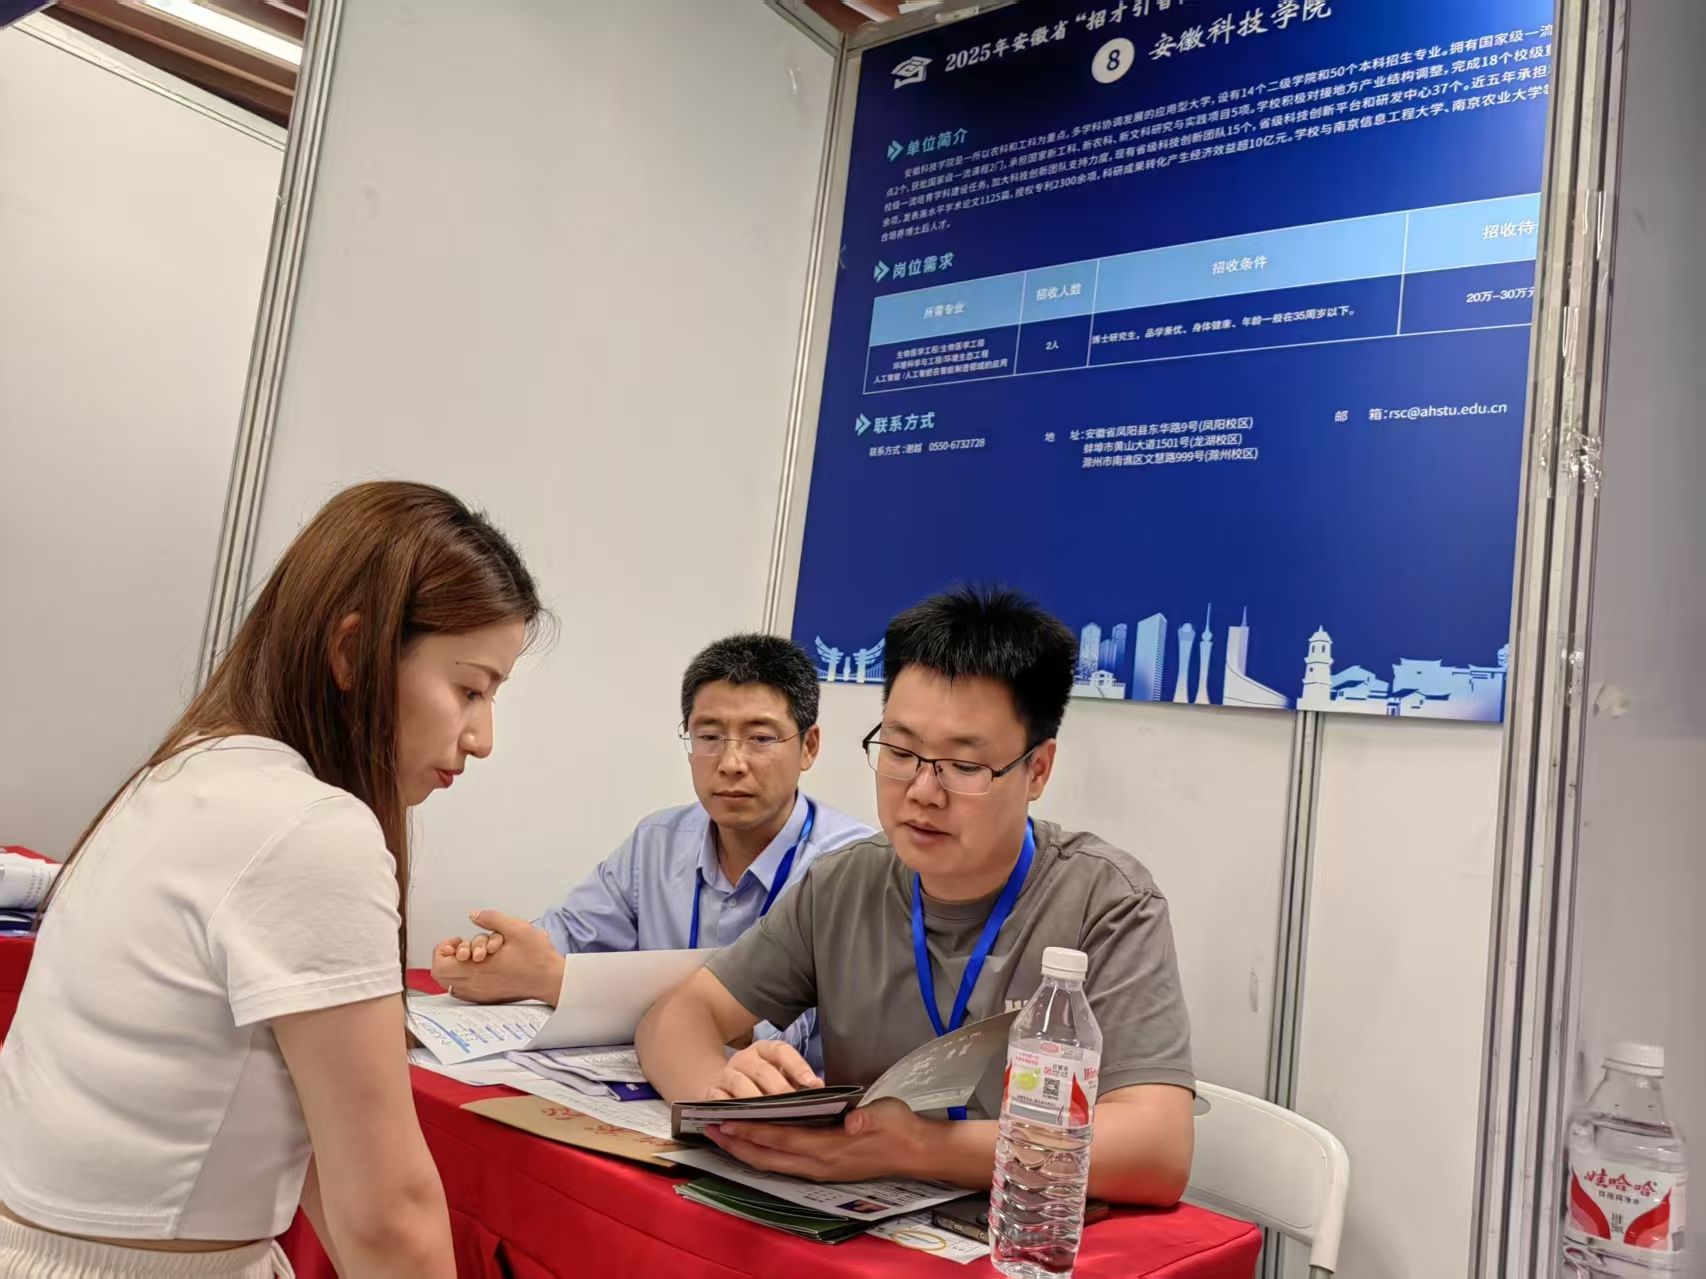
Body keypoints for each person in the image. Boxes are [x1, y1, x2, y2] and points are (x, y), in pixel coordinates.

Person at [0, 481, 545, 1278]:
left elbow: (323, 1150)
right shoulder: (311, 830)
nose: (483, 737)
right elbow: (389, 1218)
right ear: (353, 652)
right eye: (470, 689)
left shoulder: (183, 771)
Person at [636, 586, 1195, 1206]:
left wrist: (913, 1148)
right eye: (901, 752)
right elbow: (676, 1018)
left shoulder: (1106, 902)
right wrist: (724, 1099)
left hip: (1025, 1232)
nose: (922, 791)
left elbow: (1157, 1150)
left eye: (965, 766)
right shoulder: (844, 884)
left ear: (1037, 770)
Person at [429, 634, 873, 1063]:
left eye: (760, 738)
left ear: (809, 747)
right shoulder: (659, 841)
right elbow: (568, 937)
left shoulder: (850, 865)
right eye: (709, 736)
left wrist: (554, 980)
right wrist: (492, 958)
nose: (731, 763)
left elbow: (779, 1032)